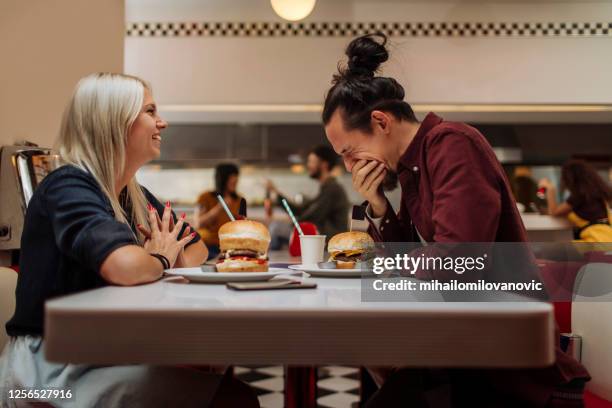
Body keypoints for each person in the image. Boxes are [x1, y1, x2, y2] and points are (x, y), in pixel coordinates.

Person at [322, 33, 589, 407]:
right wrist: (377, 204)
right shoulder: (415, 166)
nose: (349, 167)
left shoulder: (451, 144)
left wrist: (386, 266)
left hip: (511, 370)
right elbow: (419, 257)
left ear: (380, 121)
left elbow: (458, 258)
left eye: (349, 152)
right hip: (467, 353)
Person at [0, 73, 258, 407]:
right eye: (150, 111)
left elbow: (194, 248)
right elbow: (124, 267)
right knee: (233, 399)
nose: (161, 122)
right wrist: (161, 259)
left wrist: (160, 256)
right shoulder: (68, 186)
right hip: (45, 374)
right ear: (115, 123)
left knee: (217, 377)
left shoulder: (128, 193)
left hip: (93, 356)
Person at [266, 145, 350, 239]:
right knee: (277, 228)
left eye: (312, 161)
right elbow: (301, 211)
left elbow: (310, 218)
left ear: (324, 164)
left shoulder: (332, 189)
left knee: (276, 227)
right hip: (320, 239)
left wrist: (292, 224)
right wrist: (276, 192)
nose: (308, 165)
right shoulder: (326, 189)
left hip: (327, 242)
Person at [539, 159, 612, 242]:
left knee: (557, 251)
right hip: (606, 237)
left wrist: (550, 189)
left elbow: (554, 212)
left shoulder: (579, 195)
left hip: (595, 240)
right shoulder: (593, 194)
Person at [195, 163, 246, 259]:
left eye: (236, 177)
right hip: (210, 246)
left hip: (232, 246)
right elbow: (198, 223)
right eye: (232, 177)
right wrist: (219, 208)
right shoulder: (205, 197)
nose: (235, 180)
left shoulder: (239, 200)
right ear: (222, 179)